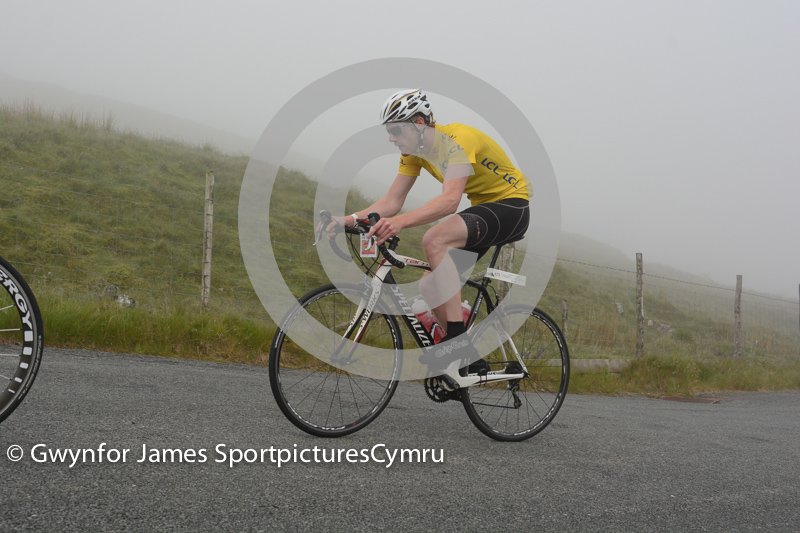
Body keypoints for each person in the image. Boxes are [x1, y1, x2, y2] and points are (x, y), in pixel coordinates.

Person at [326, 89, 530, 375]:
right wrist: (346, 220)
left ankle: (456, 341)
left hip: (512, 207)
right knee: (429, 287)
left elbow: (450, 201)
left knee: (434, 239)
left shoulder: (457, 140)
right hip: (482, 211)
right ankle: (469, 360)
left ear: (419, 123)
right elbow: (392, 201)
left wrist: (399, 223)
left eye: (396, 130)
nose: (391, 138)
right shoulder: (414, 153)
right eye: (388, 131)